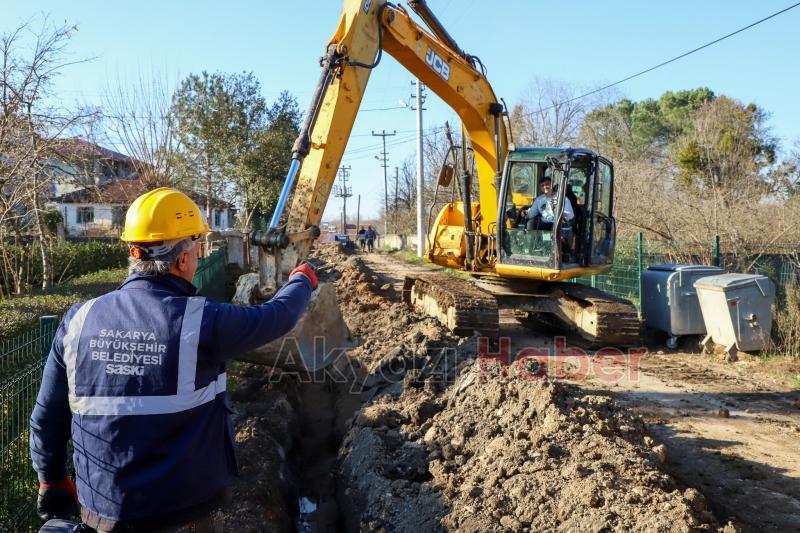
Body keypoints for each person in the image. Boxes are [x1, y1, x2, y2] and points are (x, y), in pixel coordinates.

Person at [29, 187, 317, 533]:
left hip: (104, 511)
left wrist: (51, 479)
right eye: (198, 248)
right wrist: (302, 279)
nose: (198, 257)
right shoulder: (201, 321)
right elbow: (278, 317)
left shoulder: (78, 320)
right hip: (187, 513)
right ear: (182, 259)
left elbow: (47, 416)